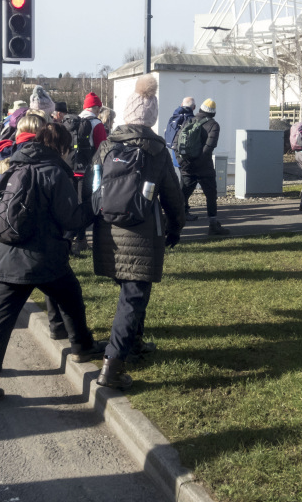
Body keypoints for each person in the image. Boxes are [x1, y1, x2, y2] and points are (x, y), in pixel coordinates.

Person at [0, 122, 105, 402]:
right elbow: (71, 219)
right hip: (40, 257)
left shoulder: (14, 166)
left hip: (5, 253)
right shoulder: (53, 172)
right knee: (70, 294)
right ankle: (81, 344)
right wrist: (95, 204)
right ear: (61, 147)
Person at [90, 74, 185, 390]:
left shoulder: (106, 145)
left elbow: (92, 188)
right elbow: (172, 194)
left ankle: (135, 341)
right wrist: (176, 226)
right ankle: (112, 367)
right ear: (152, 116)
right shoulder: (157, 149)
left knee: (129, 290)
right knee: (133, 296)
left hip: (108, 230)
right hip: (143, 233)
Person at [179, 98, 229, 235]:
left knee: (182, 194)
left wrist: (183, 162)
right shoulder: (213, 125)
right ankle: (213, 225)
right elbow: (209, 147)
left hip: (186, 165)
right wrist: (199, 163)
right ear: (213, 112)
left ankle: (171, 223)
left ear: (200, 109)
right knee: (211, 195)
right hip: (204, 167)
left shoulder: (188, 121)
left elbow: (176, 143)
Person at [66, 92, 108, 253]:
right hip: (87, 170)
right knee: (85, 204)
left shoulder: (72, 121)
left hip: (70, 169)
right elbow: (102, 148)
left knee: (73, 204)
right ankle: (79, 239)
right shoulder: (96, 123)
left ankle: (72, 238)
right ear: (96, 107)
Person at [164, 97, 196, 169]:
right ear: (194, 107)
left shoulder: (174, 118)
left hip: (175, 153)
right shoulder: (193, 120)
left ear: (181, 105)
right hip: (189, 157)